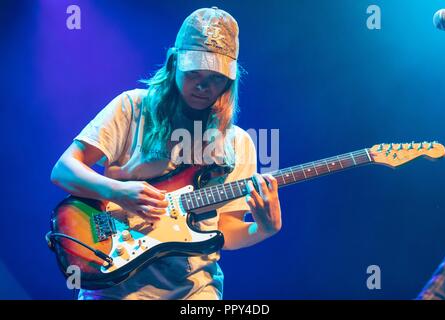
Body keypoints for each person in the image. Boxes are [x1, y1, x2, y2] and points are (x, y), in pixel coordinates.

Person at [50, 6, 282, 300]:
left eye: (215, 77)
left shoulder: (237, 143)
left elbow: (224, 228)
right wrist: (117, 192)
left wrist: (264, 228)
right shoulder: (132, 107)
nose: (203, 85)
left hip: (194, 292)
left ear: (230, 80)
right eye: (194, 72)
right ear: (174, 64)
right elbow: (63, 169)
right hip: (116, 286)